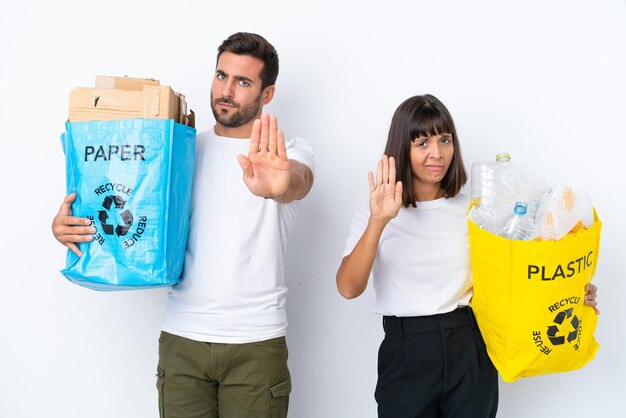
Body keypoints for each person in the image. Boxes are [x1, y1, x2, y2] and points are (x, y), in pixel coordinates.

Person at [52, 32, 314, 418]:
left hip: (255, 344)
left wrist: (282, 182)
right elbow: (125, 213)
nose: (227, 90)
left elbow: (299, 181)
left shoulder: (285, 154)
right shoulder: (176, 150)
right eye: (222, 76)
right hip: (183, 340)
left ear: (267, 94)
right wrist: (71, 226)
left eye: (243, 82)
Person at [335, 94, 598, 418]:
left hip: (470, 345)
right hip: (407, 351)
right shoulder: (374, 213)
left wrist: (569, 293)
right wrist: (379, 220)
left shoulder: (477, 212)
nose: (437, 153)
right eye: (422, 142)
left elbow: (516, 275)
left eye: (444, 140)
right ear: (401, 146)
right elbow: (348, 288)